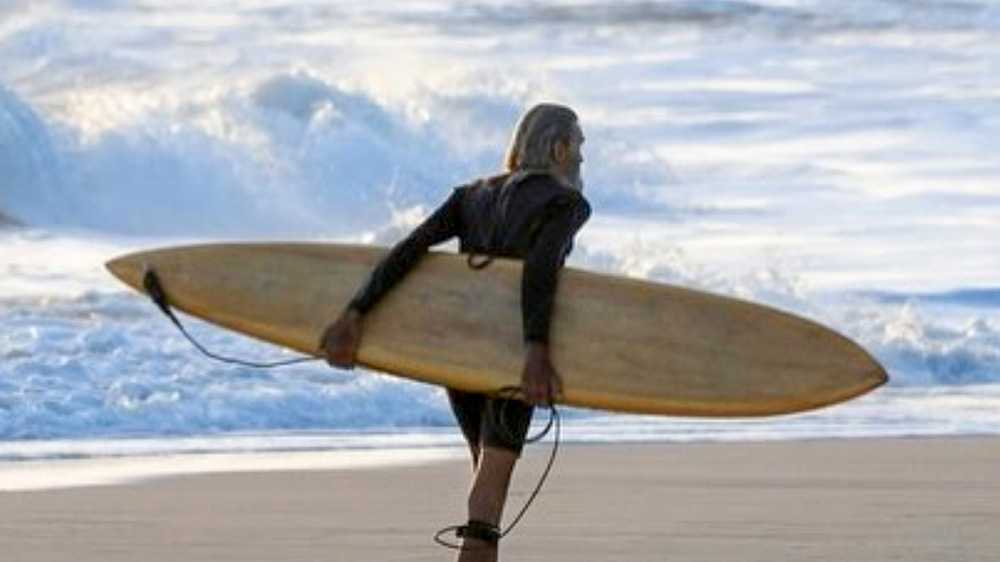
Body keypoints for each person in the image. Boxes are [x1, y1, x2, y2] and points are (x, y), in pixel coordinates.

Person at [319, 103, 590, 562]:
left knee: (484, 484)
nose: (582, 158)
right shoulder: (567, 202)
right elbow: (539, 269)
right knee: (488, 499)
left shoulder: (472, 195)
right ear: (560, 148)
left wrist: (355, 313)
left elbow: (412, 247)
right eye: (579, 146)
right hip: (509, 357)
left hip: (459, 353)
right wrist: (535, 350)